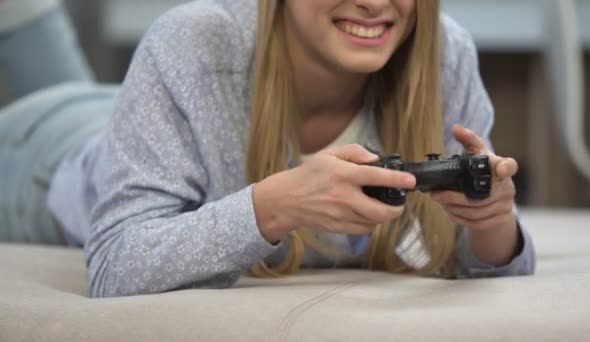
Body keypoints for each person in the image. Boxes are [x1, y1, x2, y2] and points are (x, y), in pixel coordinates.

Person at [0, 0, 535, 298]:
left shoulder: (444, 54)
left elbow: (488, 262)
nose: (375, 3)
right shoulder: (191, 42)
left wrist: (491, 223)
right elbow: (115, 262)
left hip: (144, 119)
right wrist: (274, 206)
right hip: (42, 156)